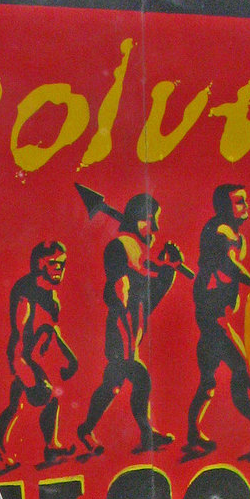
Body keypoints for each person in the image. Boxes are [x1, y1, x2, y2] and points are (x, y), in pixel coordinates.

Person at [77, 192, 188, 454]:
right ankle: (147, 433)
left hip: (132, 330)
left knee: (113, 385)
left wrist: (167, 271)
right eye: (152, 220)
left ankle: (86, 429)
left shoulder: (135, 249)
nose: (157, 228)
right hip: (121, 331)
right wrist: (163, 268)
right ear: (139, 220)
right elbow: (120, 289)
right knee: (141, 378)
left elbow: (150, 298)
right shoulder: (121, 246)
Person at [183, 183, 250, 457]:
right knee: (240, 366)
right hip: (213, 317)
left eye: (245, 200)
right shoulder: (221, 231)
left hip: (217, 315)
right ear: (224, 208)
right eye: (238, 202)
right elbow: (229, 265)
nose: (245, 206)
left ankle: (193, 432)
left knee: (208, 382)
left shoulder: (237, 236)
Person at [0, 240, 78, 469]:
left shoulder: (52, 296)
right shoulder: (25, 293)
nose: (59, 268)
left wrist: (71, 358)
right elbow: (19, 336)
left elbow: (53, 329)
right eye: (52, 263)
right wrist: (22, 366)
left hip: (31, 358)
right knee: (46, 396)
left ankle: (46, 445)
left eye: (62, 263)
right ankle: (36, 446)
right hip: (21, 357)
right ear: (40, 265)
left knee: (17, 404)